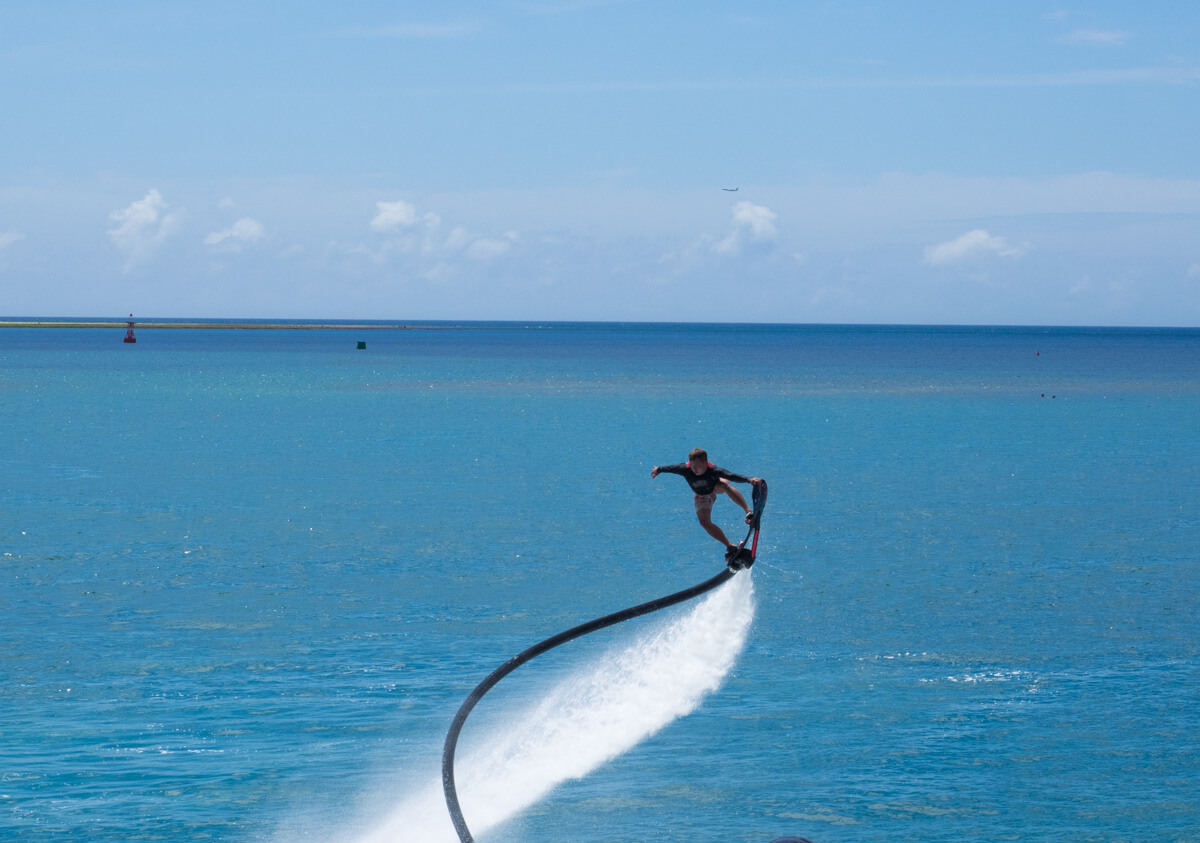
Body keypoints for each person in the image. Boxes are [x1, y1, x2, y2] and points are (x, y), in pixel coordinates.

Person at [651, 448, 763, 559]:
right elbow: (669, 468)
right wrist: (658, 470)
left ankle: (748, 511)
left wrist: (749, 480)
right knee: (704, 522)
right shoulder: (685, 469)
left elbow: (732, 475)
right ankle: (730, 546)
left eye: (697, 466)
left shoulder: (713, 470)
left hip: (715, 487)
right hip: (701, 495)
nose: (694, 469)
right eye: (692, 466)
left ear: (705, 463)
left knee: (724, 484)